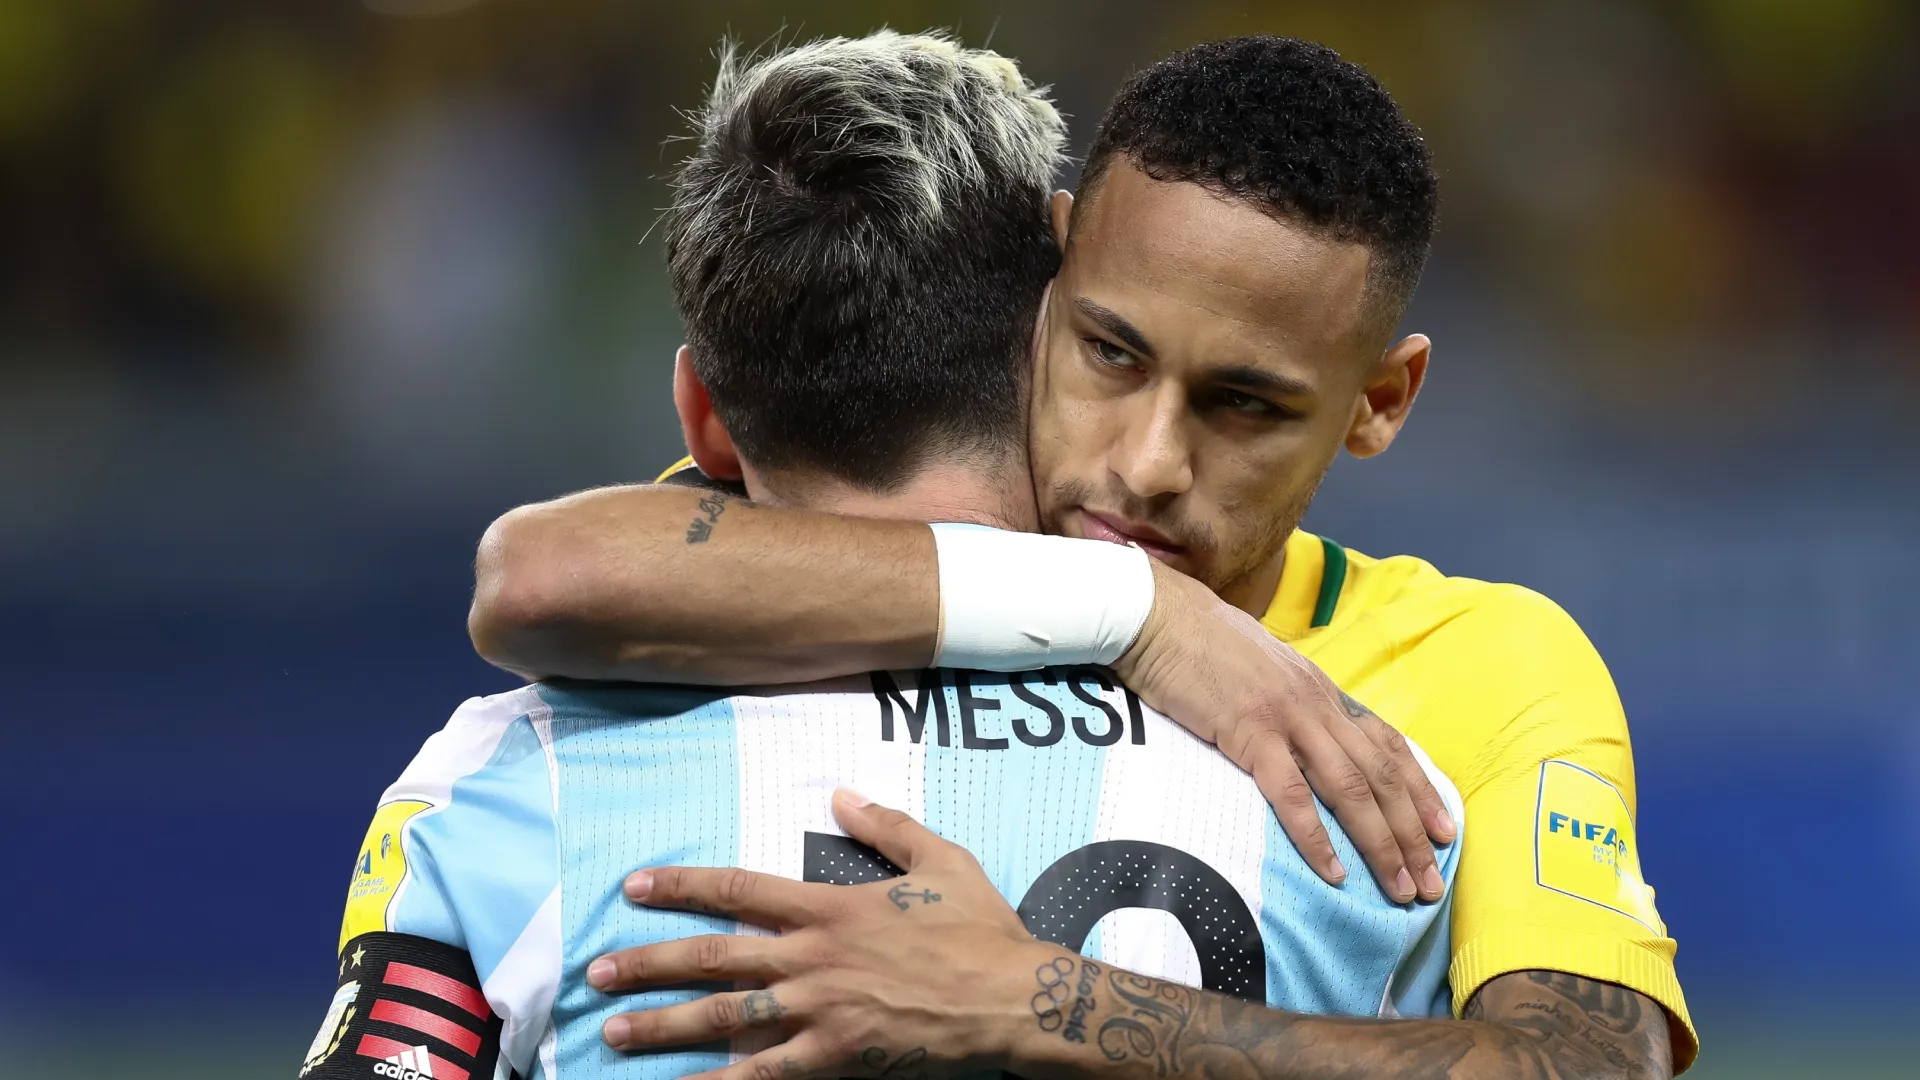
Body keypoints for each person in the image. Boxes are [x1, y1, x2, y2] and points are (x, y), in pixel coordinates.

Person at [470, 35, 1697, 1078]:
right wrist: (1135, 610)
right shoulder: (858, 572)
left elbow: (1581, 1066)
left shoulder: (1485, 666)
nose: (1151, 461)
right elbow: (545, 574)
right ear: (1054, 275)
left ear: (1380, 400)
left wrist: (1031, 999)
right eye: (1113, 352)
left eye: (1245, 405)